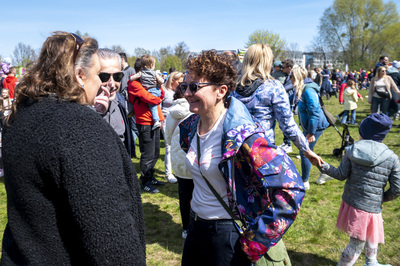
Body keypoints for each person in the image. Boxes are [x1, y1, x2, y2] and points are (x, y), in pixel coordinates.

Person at [1, 31, 146, 265]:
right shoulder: (78, 127)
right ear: (80, 75)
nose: (101, 83)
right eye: (98, 74)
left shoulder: (21, 116)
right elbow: (109, 232)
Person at [180, 50, 304, 266]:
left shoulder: (244, 136)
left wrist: (257, 241)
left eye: (194, 87)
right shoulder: (189, 127)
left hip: (228, 234)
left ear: (221, 90)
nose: (187, 93)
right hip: (195, 227)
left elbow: (291, 188)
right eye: (184, 86)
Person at [232, 44, 323, 188]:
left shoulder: (232, 87)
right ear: (268, 62)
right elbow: (288, 125)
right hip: (262, 152)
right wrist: (307, 150)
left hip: (234, 151)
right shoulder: (273, 87)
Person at [318, 113, 400, 266]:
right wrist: (381, 198)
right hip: (372, 205)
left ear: (363, 132)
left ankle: (372, 262)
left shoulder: (351, 150)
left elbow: (341, 175)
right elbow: (397, 188)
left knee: (370, 234)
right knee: (357, 243)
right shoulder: (392, 158)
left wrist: (323, 166)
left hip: (353, 203)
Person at [128, 58, 165, 194]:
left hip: (154, 121)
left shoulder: (147, 83)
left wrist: (158, 87)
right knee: (147, 154)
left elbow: (161, 93)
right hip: (144, 122)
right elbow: (150, 98)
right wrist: (157, 96)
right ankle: (145, 182)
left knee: (155, 152)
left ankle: (151, 177)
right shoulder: (134, 85)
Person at [290, 65, 329, 189]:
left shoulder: (308, 90)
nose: (289, 79)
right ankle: (326, 172)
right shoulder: (301, 89)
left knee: (304, 152)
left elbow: (314, 111)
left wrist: (311, 132)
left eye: (291, 76)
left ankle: (305, 181)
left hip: (315, 126)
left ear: (297, 77)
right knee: (308, 151)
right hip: (309, 127)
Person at [164, 83, 193, 239]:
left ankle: (186, 228)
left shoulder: (170, 114)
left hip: (179, 164)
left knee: (184, 196)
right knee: (199, 195)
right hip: (194, 162)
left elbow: (167, 138)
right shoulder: (196, 112)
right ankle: (197, 226)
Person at [93, 48, 135, 158]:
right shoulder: (81, 108)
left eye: (117, 76)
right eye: (104, 77)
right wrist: (94, 114)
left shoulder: (120, 102)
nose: (112, 83)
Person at [130, 54, 164, 130]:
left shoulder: (142, 76)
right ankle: (156, 120)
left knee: (156, 142)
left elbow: (162, 94)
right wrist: (158, 100)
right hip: (145, 120)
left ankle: (156, 121)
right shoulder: (135, 83)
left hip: (152, 118)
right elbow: (148, 98)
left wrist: (158, 85)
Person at [162, 71, 184, 183]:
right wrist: (160, 119)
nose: (181, 84)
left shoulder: (179, 91)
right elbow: (157, 105)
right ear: (173, 80)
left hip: (179, 118)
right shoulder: (165, 91)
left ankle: (176, 170)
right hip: (166, 119)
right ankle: (168, 173)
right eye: (179, 82)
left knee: (177, 145)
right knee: (169, 147)